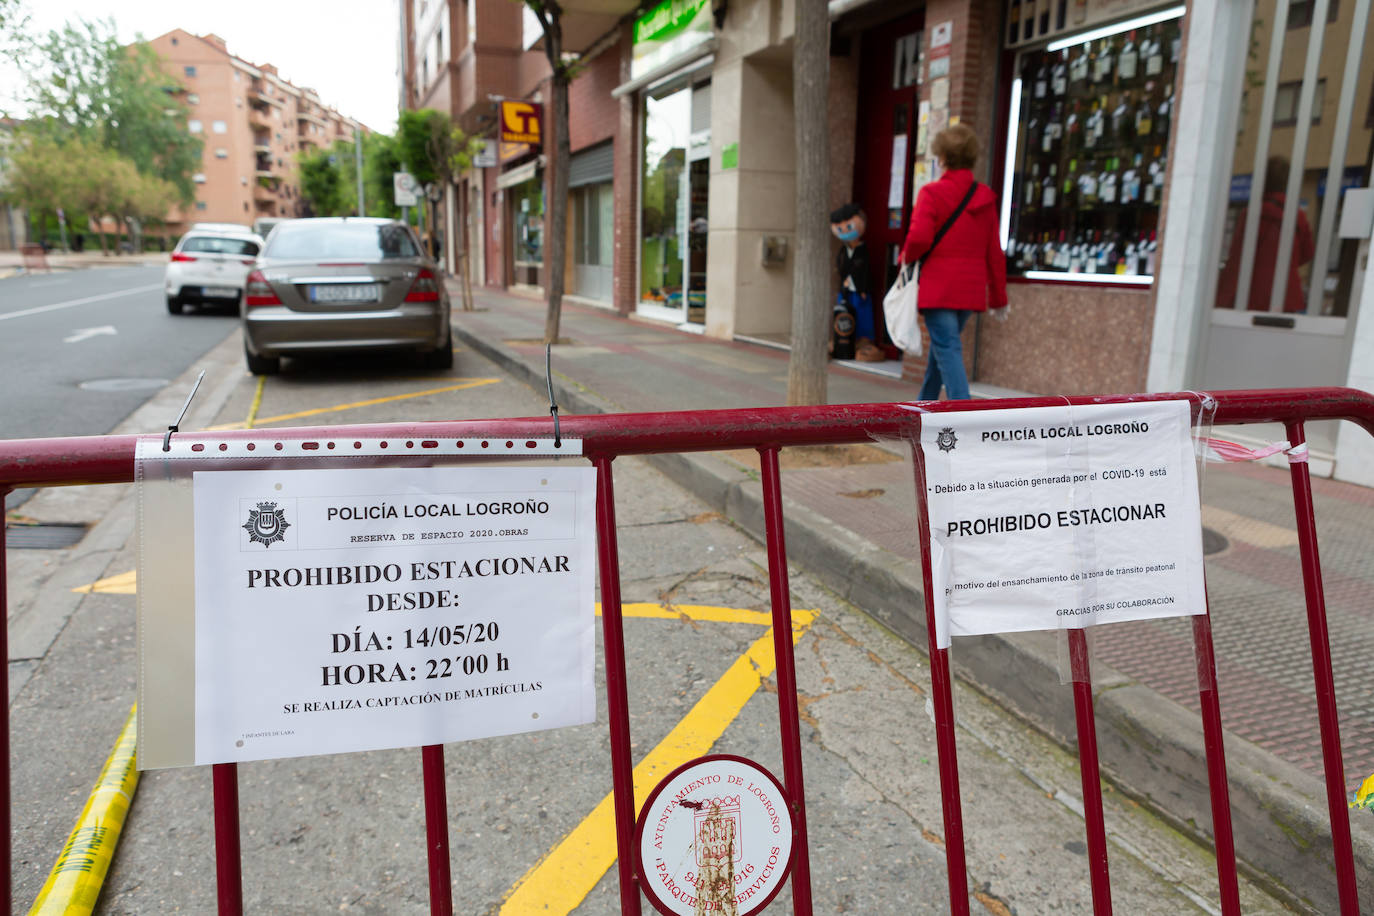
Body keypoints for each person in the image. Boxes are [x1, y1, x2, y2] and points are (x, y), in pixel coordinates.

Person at [899, 124, 1008, 401]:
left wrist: (905, 259)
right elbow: (994, 252)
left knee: (947, 349)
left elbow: (919, 238)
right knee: (942, 350)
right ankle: (924, 406)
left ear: (943, 158)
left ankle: (963, 414)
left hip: (939, 288)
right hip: (969, 292)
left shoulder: (932, 194)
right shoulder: (985, 197)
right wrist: (998, 298)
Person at [1215, 156, 1314, 313]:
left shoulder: (1253, 213)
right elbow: (1308, 253)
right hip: (1286, 295)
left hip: (1251, 295)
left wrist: (1222, 298)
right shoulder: (1297, 215)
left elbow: (1238, 257)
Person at [829, 203, 884, 362]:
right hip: (845, 290)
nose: (844, 232)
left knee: (862, 314)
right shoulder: (843, 250)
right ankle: (842, 341)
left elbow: (865, 270)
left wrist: (864, 289)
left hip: (860, 290)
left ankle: (863, 342)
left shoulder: (863, 250)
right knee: (843, 314)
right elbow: (840, 265)